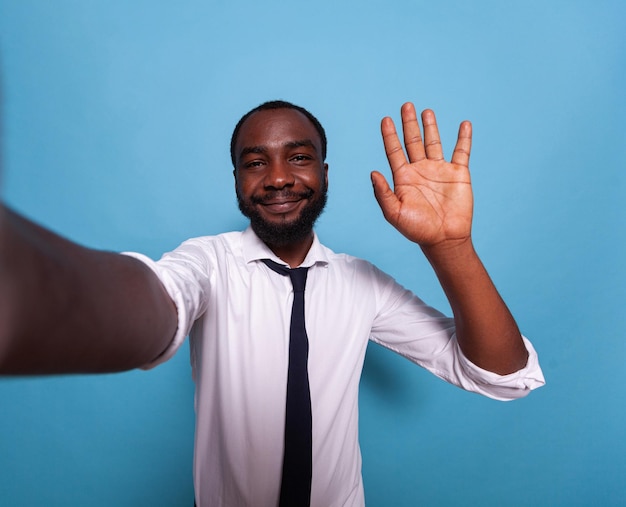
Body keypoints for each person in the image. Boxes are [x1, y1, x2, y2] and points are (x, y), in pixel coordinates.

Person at [0, 100, 545, 506]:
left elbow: (501, 374)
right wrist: (36, 291)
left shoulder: (362, 283)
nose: (279, 177)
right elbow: (160, 300)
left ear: (324, 174)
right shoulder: (208, 262)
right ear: (237, 180)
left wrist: (450, 246)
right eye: (255, 162)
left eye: (299, 157)